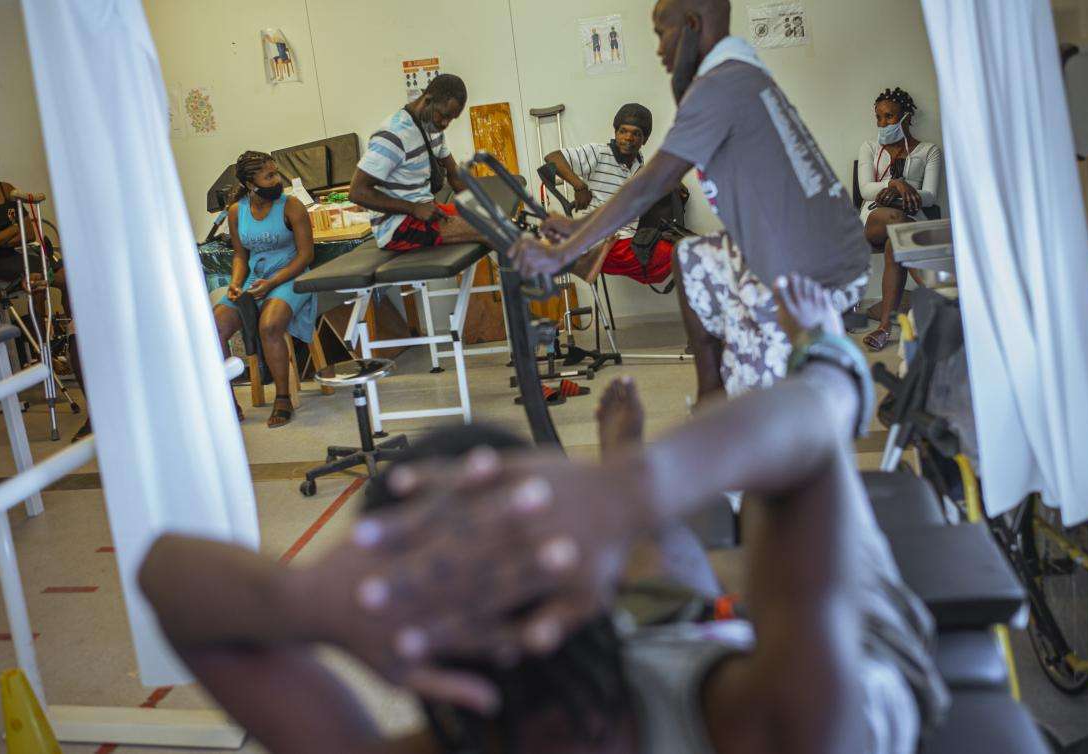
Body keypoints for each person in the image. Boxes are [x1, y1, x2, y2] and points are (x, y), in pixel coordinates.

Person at [139, 275, 945, 754]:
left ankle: (623, 483)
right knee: (682, 582)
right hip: (809, 669)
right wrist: (631, 487)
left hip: (651, 644)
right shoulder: (787, 719)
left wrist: (308, 602)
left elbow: (164, 577)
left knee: (661, 592)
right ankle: (812, 344)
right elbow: (818, 428)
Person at [513, 0, 870, 405]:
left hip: (812, 263)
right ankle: (710, 395)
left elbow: (653, 181)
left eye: (661, 33)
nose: (660, 50)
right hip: (815, 244)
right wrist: (580, 229)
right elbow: (648, 184)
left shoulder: (720, 84)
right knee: (692, 258)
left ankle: (750, 421)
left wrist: (566, 248)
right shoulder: (740, 75)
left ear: (692, 25)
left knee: (754, 391)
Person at [0, 129, 92, 441]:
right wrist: (13, 231)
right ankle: (48, 347)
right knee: (41, 281)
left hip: (29, 251)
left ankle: (64, 338)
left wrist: (11, 233)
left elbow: (30, 229)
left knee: (70, 278)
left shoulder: (7, 189)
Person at [212, 150, 316, 428]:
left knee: (269, 326)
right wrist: (235, 283)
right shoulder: (236, 211)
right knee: (214, 326)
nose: (277, 180)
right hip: (253, 281)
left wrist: (272, 283)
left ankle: (282, 398)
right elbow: (239, 256)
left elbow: (306, 255)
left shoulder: (292, 206)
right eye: (269, 176)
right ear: (250, 183)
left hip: (290, 277)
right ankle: (227, 402)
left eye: (276, 173)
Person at [542, 104, 678, 286]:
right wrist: (579, 186)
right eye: (623, 131)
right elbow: (553, 157)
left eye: (636, 134)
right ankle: (585, 259)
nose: (628, 138)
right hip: (605, 241)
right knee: (675, 254)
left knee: (676, 248)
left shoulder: (640, 165)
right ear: (615, 133)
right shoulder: (599, 153)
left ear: (644, 139)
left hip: (626, 239)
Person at [349, 74, 483, 252]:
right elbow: (357, 191)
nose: (445, 123)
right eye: (443, 116)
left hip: (426, 212)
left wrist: (481, 208)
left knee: (498, 222)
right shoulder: (393, 134)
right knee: (488, 229)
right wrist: (413, 208)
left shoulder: (434, 129)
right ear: (427, 100)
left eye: (451, 119)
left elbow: (454, 176)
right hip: (398, 227)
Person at [856, 88, 942, 352]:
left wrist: (906, 191)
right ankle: (938, 291)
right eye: (878, 117)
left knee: (897, 241)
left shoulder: (929, 151)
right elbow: (865, 189)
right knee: (894, 219)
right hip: (875, 215)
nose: (883, 124)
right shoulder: (870, 147)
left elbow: (929, 195)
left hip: (911, 217)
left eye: (890, 117)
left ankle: (883, 329)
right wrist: (897, 184)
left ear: (906, 118)